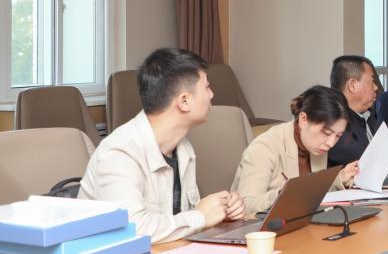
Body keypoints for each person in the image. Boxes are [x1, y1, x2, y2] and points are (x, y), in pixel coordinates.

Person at [79, 48, 244, 244]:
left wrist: (219, 212)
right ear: (184, 101)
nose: (211, 94)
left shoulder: (183, 148)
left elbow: (178, 224)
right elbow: (133, 230)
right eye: (207, 87)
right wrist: (201, 217)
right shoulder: (119, 152)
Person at [231, 85, 359, 215]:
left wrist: (340, 179)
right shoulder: (264, 147)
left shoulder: (315, 145)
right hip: (259, 226)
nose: (331, 143)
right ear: (303, 120)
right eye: (326, 133)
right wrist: (281, 195)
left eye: (338, 136)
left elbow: (310, 192)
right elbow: (246, 205)